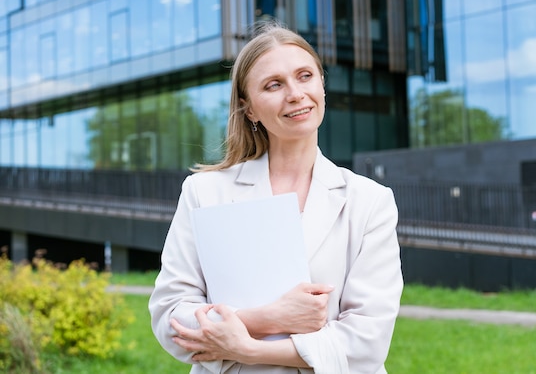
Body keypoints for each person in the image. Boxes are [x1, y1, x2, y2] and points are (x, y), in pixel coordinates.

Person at [148, 21, 404, 374]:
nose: (296, 94)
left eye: (305, 76)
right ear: (249, 108)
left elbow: (367, 343)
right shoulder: (205, 192)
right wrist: (266, 318)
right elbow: (169, 319)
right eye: (273, 85)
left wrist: (248, 349)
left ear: (322, 86)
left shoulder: (369, 201)